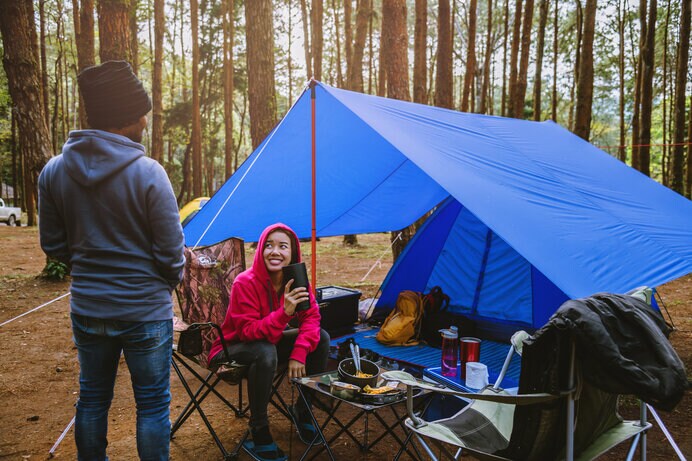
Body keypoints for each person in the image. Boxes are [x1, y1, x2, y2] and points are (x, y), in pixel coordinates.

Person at [38, 61, 185, 461]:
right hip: (145, 312)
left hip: (88, 307)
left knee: (92, 399)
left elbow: (53, 245)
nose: (144, 121)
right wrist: (162, 281)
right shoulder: (149, 174)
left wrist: (89, 269)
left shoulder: (53, 172)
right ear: (124, 117)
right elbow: (172, 255)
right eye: (141, 114)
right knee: (153, 405)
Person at [208, 223, 330, 461]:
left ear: (292, 253)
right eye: (269, 245)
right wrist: (284, 313)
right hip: (230, 348)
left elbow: (312, 318)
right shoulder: (245, 282)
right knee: (265, 350)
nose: (275, 251)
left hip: (267, 343)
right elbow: (247, 332)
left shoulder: (296, 280)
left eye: (283, 246)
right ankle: (259, 429)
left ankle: (303, 411)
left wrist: (299, 353)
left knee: (322, 338)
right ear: (261, 249)